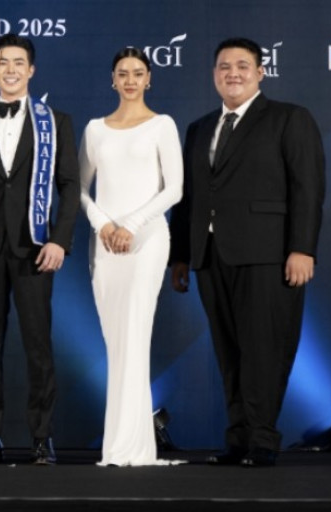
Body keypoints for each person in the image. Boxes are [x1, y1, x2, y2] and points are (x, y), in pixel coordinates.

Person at [170, 37, 325, 467]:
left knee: (265, 350)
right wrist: (180, 255)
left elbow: (308, 189)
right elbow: (189, 198)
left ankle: (262, 440)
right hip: (210, 255)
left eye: (242, 66)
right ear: (214, 74)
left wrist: (302, 248)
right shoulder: (200, 128)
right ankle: (238, 439)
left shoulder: (289, 118)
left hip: (268, 255)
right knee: (229, 352)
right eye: (224, 66)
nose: (232, 73)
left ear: (261, 72)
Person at [0, 34, 80, 465]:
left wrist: (59, 239)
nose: (10, 69)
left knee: (38, 346)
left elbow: (69, 185)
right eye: (3, 62)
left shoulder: (55, 122)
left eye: (18, 62)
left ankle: (42, 438)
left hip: (34, 247)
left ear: (31, 70)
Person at [78, 48, 183, 466]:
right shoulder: (94, 130)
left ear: (149, 78)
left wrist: (131, 225)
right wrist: (103, 225)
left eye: (138, 73)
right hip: (105, 245)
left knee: (135, 338)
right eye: (122, 73)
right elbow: (79, 189)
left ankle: (130, 447)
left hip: (146, 241)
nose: (130, 80)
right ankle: (124, 444)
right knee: (116, 342)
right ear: (112, 79)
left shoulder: (162, 125)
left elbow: (174, 189)